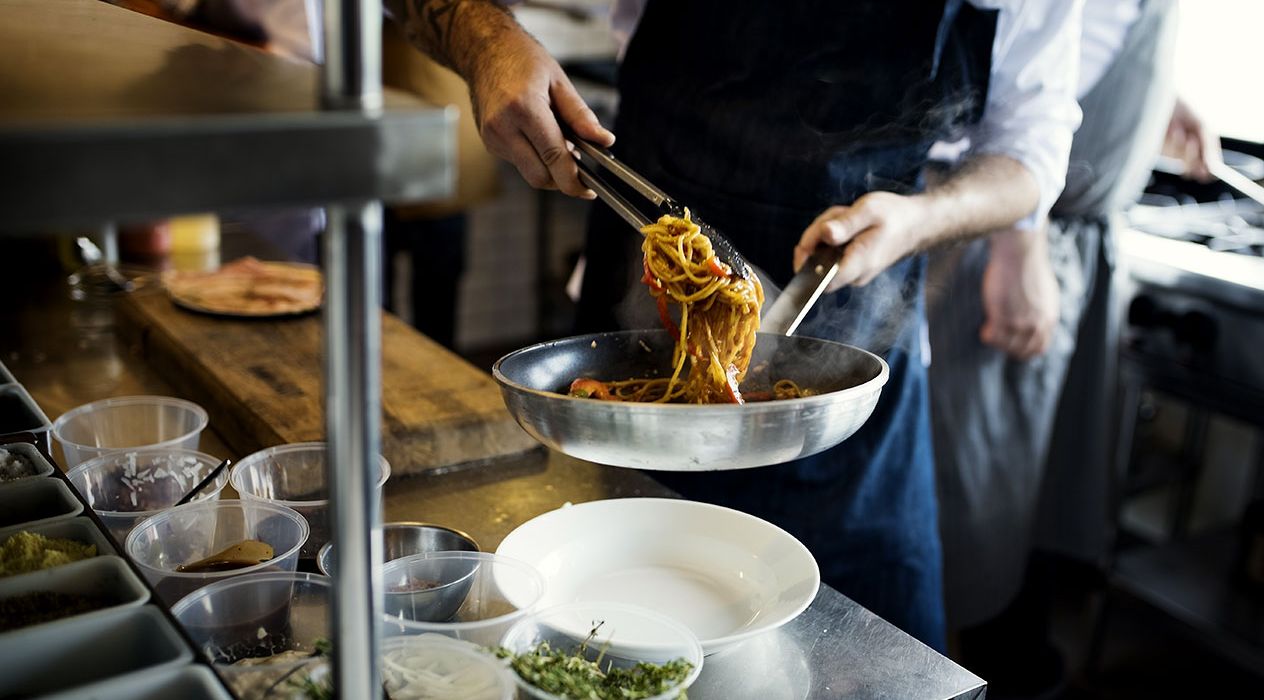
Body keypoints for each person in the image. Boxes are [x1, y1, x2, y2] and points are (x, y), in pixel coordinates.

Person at [389, 0, 1084, 649]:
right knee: (608, 638)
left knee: (884, 653)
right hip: (637, 321)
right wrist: (487, 43)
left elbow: (1030, 149)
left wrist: (919, 219)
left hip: (856, 338)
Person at [929, 0, 1218, 693]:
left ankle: (1019, 667)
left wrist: (1162, 97)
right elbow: (1006, 88)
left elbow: (1081, 51)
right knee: (981, 513)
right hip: (1011, 248)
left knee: (1039, 502)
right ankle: (973, 676)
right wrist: (1017, 245)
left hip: (1074, 249)